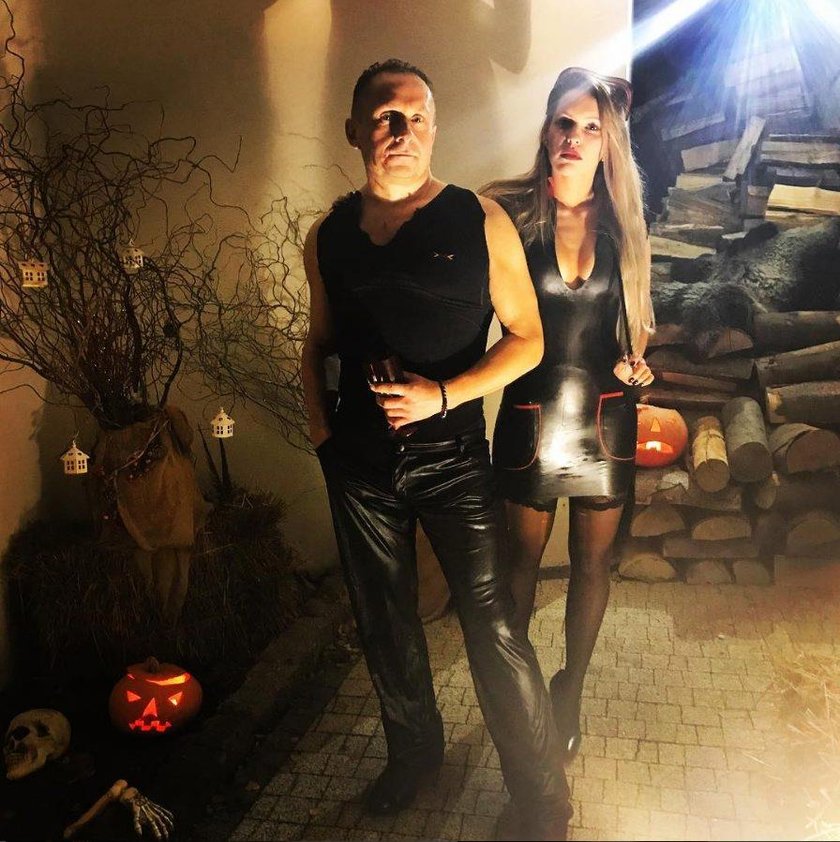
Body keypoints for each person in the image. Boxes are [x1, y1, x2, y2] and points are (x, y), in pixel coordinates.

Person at [301, 59, 571, 839]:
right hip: (358, 466)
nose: (402, 130)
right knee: (384, 622)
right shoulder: (328, 236)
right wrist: (321, 432)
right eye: (386, 116)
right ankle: (414, 757)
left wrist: (443, 395)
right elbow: (317, 341)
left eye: (417, 116)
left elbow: (528, 338)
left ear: (435, 129)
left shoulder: (477, 219)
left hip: (454, 459)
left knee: (493, 627)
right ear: (354, 131)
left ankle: (543, 800)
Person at [483, 66, 655, 764]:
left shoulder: (624, 223)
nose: (575, 138)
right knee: (518, 568)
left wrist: (638, 360)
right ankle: (520, 701)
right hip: (529, 417)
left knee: (592, 564)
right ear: (546, 128)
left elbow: (637, 323)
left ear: (608, 142)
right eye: (565, 123)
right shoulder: (506, 214)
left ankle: (571, 689)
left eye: (591, 128)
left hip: (606, 421)